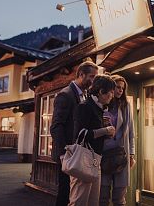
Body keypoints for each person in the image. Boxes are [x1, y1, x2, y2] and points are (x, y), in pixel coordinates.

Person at [50, 60, 98, 206]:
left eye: (95, 77)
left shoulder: (85, 95)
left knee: (74, 194)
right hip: (68, 154)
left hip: (79, 153)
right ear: (81, 74)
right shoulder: (66, 95)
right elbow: (56, 126)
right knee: (65, 194)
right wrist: (64, 154)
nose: (93, 80)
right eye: (91, 76)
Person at [69, 74, 116, 206]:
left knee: (93, 201)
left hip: (95, 159)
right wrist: (105, 131)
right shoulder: (85, 106)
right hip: (83, 159)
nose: (112, 96)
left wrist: (105, 131)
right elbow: (80, 134)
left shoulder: (99, 108)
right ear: (101, 91)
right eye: (111, 92)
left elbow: (93, 133)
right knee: (79, 201)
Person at [99, 75, 135, 206]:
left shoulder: (126, 105)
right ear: (110, 87)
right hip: (103, 155)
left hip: (121, 155)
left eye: (122, 88)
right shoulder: (101, 104)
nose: (120, 90)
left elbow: (131, 131)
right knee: (102, 197)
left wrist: (131, 153)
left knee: (119, 199)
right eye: (117, 87)